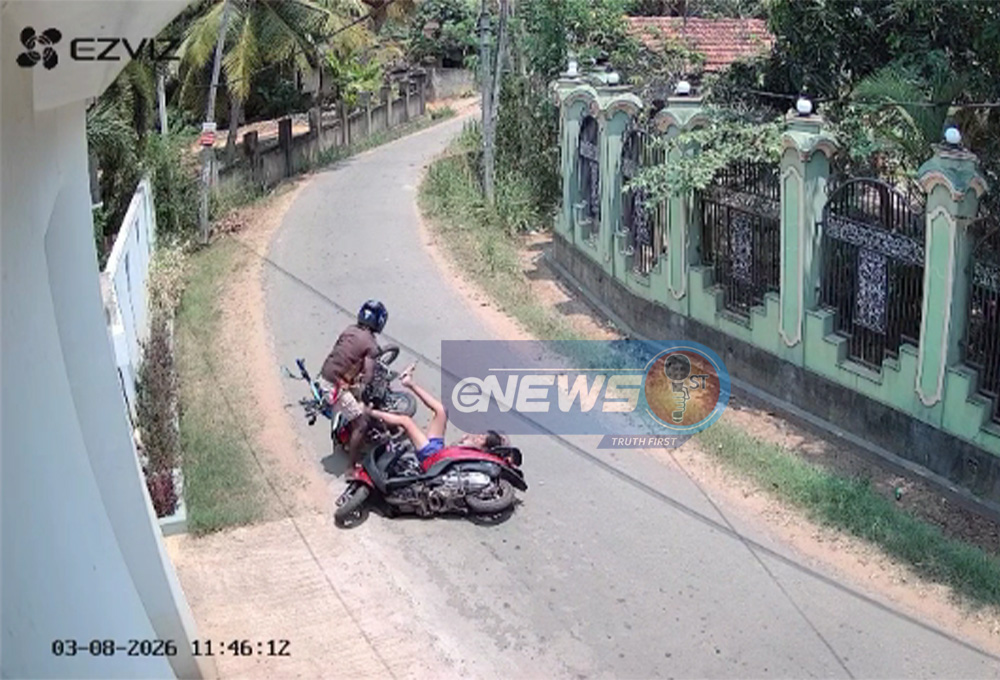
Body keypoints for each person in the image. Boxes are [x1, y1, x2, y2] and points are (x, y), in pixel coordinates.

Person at [365, 363, 506, 463]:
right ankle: (408, 383)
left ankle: (369, 412)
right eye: (482, 435)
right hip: (438, 450)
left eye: (482, 438)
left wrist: (468, 441)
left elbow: (460, 449)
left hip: (432, 456)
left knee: (406, 421)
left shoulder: (475, 452)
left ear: (484, 447)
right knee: (441, 411)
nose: (479, 436)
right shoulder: (474, 445)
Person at [320, 299, 387, 469]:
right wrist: (366, 386)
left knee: (355, 396)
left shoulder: (349, 330)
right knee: (362, 423)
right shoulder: (371, 344)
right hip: (334, 387)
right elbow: (368, 374)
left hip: (325, 375)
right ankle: (351, 468)